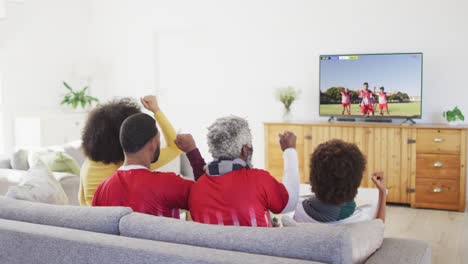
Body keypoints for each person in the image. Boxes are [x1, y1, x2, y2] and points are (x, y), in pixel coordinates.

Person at [187, 116, 300, 227]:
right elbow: (291, 201)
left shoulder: (197, 188)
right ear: (245, 150)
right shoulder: (259, 180)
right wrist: (289, 151)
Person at [79, 96, 181, 206]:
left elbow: (83, 202)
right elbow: (175, 147)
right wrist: (156, 111)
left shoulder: (87, 166)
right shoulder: (135, 161)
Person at [92, 113, 194, 218]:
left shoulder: (101, 189)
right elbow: (208, 193)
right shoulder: (168, 184)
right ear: (153, 143)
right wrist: (193, 152)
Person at [293, 139, 387, 223]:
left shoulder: (297, 212)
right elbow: (378, 228)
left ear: (313, 177)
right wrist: (382, 193)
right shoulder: (360, 220)